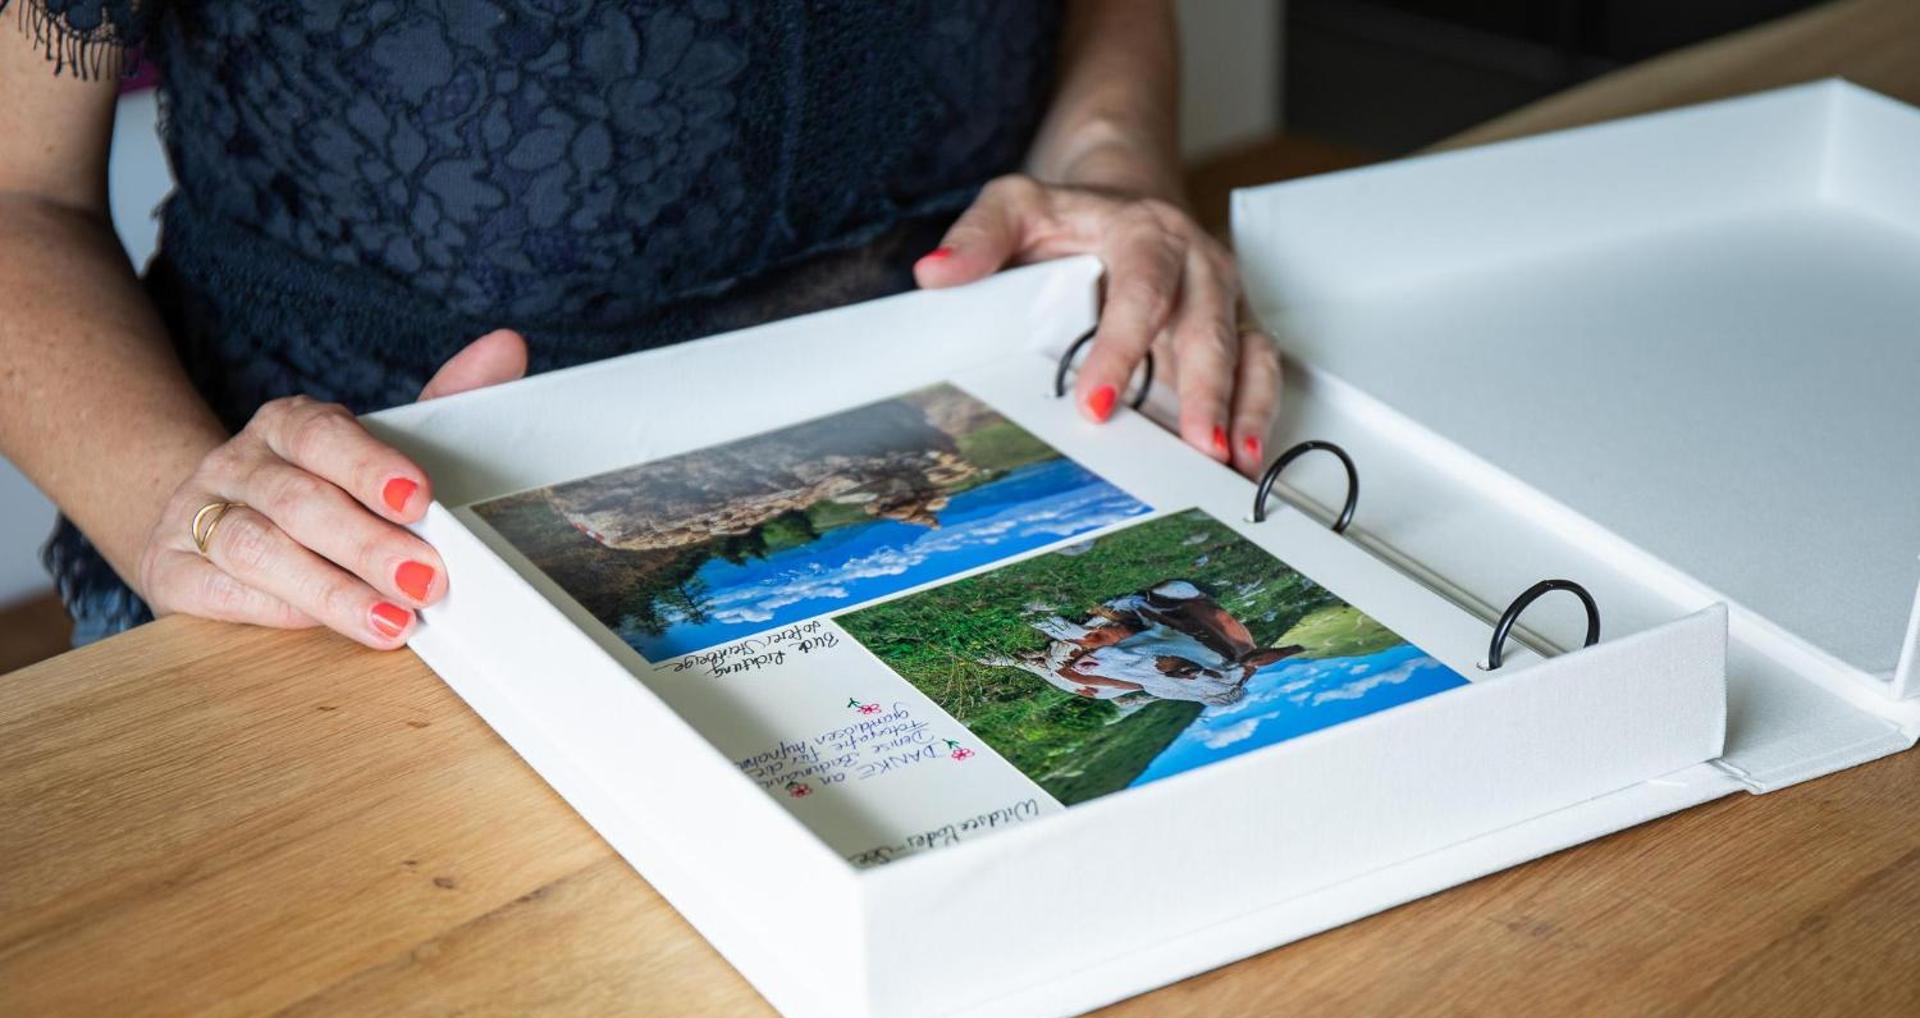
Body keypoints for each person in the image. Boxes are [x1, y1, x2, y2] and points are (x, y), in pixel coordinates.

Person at [0, 1, 1281, 649]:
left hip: (977, 460)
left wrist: (1109, 165)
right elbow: (18, 196)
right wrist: (175, 499)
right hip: (375, 574)